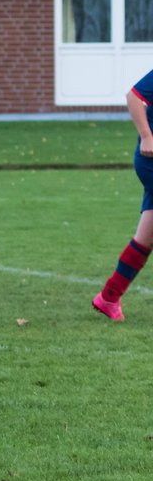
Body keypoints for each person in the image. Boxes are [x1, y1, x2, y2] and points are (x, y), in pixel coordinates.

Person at [93, 70, 153, 321]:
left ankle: (109, 297)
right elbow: (133, 97)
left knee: (146, 236)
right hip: (151, 159)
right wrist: (147, 137)